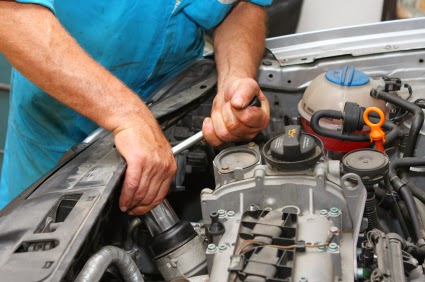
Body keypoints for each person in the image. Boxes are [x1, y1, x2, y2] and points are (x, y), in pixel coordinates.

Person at [0, 1, 271, 214]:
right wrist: (127, 115)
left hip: (170, 132)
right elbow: (11, 14)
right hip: (56, 142)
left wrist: (235, 79)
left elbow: (242, 6)